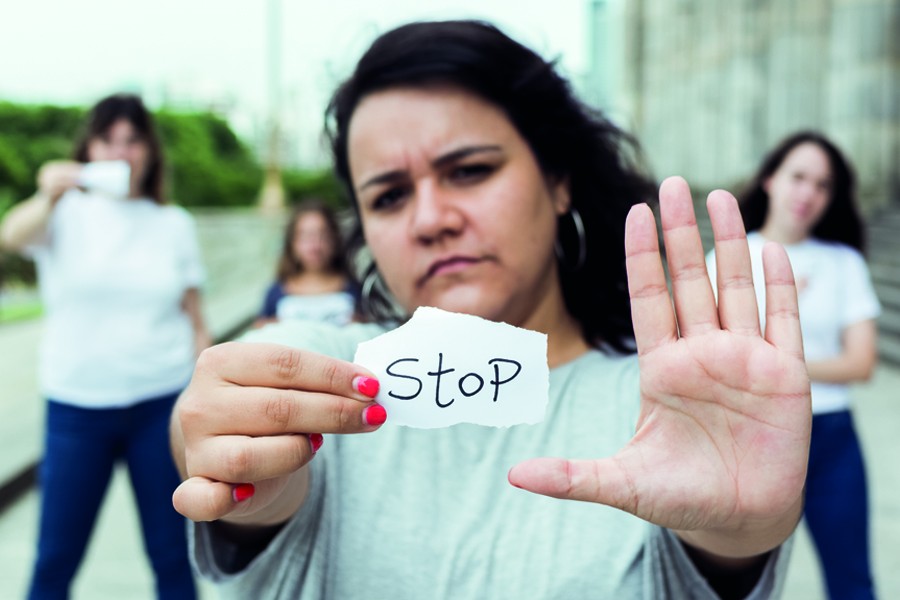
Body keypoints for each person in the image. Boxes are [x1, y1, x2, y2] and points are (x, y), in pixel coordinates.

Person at [170, 21, 812, 599]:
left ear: (557, 180)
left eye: (469, 171)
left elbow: (709, 555)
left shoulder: (669, 401)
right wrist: (233, 455)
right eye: (390, 196)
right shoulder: (334, 380)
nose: (431, 220)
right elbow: (227, 428)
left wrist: (737, 539)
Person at [0, 93, 206, 599]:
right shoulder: (64, 214)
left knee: (172, 556)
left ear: (149, 151)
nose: (121, 151)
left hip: (161, 404)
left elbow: (196, 317)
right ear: (88, 148)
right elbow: (10, 236)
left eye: (132, 140)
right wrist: (48, 193)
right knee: (55, 560)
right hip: (77, 407)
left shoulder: (173, 223)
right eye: (107, 139)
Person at [707, 131, 880, 599]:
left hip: (830, 438)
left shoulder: (843, 262)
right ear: (769, 179)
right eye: (798, 177)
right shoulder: (726, 260)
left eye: (822, 185)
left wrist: (773, 360)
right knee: (732, 584)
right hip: (749, 435)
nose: (808, 193)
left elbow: (861, 361)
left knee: (852, 580)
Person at [254, 199, 357, 328]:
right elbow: (259, 333)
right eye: (305, 237)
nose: (315, 247)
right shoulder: (275, 293)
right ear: (292, 243)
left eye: (323, 235)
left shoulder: (357, 290)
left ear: (335, 239)